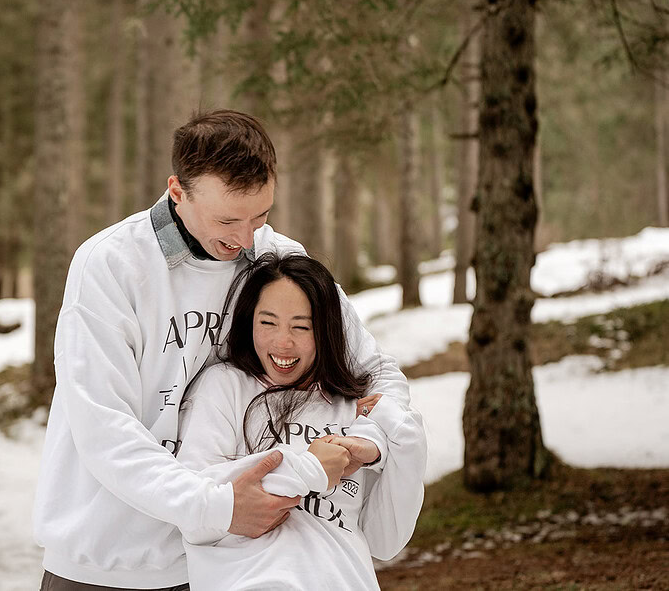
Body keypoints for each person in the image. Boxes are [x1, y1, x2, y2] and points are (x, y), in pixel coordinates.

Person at [33, 110, 412, 590]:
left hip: (224, 567)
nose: (245, 239)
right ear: (178, 192)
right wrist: (218, 506)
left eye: (261, 215)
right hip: (109, 560)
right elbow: (103, 427)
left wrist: (372, 439)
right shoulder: (111, 265)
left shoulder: (274, 259)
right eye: (227, 219)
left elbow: (376, 370)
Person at [176, 253, 427, 590]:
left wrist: (399, 439)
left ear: (326, 329)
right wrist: (308, 468)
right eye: (267, 323)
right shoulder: (225, 386)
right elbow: (195, 510)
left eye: (301, 326)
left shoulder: (353, 407)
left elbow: (385, 541)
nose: (283, 342)